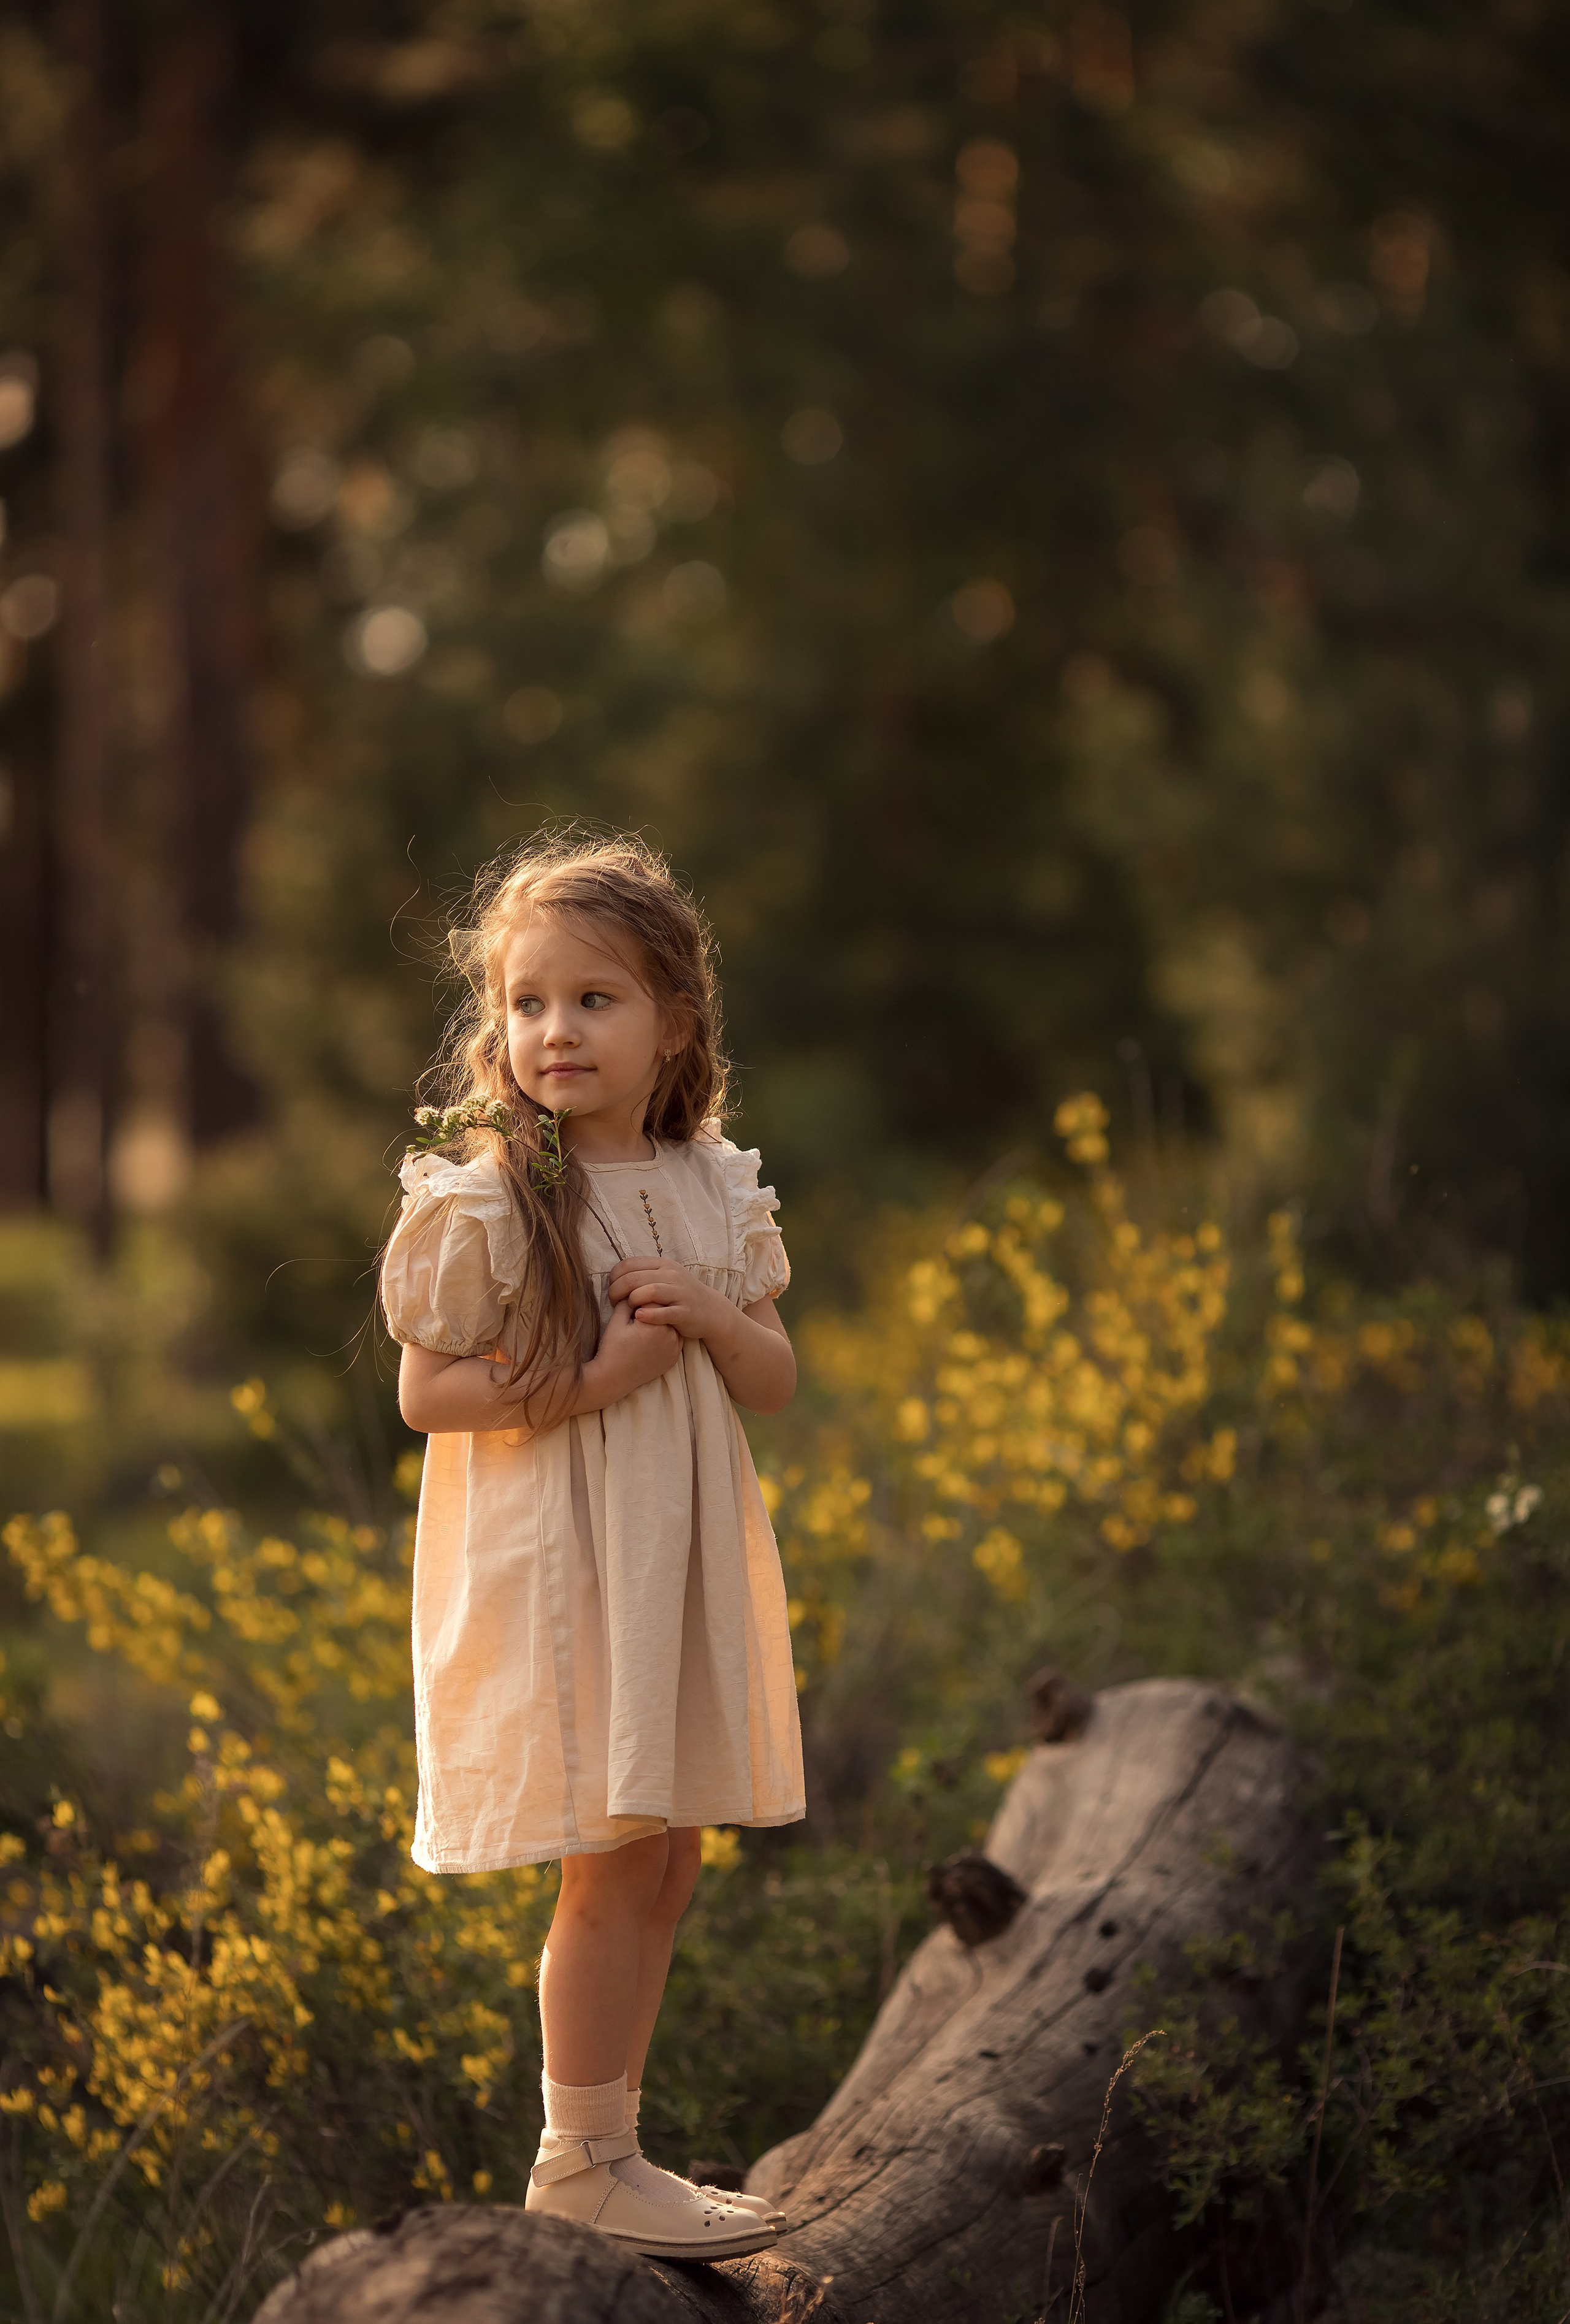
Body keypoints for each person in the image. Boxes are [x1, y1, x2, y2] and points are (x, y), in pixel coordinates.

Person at [380, 833, 804, 2260]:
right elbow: (428, 1393)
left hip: (668, 1557)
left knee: (666, 1854)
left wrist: (709, 1309)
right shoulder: (493, 1191)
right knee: (614, 1857)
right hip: (568, 1561)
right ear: (496, 1022)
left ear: (674, 1017)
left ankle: (612, 2146)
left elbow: (772, 1378)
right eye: (527, 1001)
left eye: (595, 999)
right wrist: (602, 1376)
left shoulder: (705, 1179)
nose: (554, 1029)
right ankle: (579, 2161)